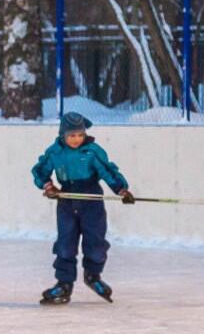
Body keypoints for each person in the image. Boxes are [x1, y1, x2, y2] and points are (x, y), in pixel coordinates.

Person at [31, 111, 134, 305]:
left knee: (95, 242)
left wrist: (121, 189)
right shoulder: (55, 152)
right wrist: (48, 186)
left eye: (80, 134)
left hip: (91, 199)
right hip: (67, 200)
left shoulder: (92, 151)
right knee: (65, 244)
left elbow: (108, 171)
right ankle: (64, 284)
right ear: (63, 134)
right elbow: (39, 171)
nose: (77, 139)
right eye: (72, 135)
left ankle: (93, 276)